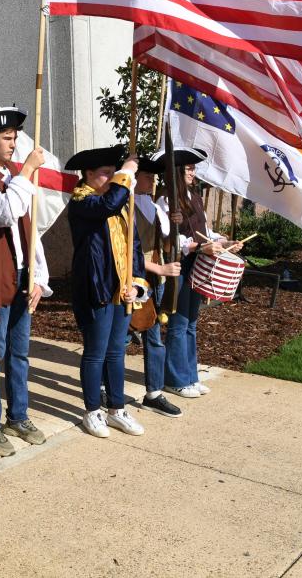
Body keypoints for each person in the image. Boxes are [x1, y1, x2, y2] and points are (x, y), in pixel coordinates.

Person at [0, 107, 52, 456]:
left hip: (22, 274)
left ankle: (17, 416)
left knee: (20, 353)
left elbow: (30, 230)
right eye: (7, 137)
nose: (13, 143)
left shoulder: (14, 177)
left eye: (15, 137)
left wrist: (40, 277)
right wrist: (29, 170)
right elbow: (4, 214)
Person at [66, 146, 148, 439]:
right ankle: (92, 411)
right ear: (88, 175)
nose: (112, 177)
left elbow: (134, 243)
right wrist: (127, 173)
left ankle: (117, 408)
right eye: (106, 173)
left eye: (114, 172)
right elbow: (107, 206)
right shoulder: (82, 202)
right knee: (96, 353)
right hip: (96, 287)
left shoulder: (119, 201)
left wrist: (137, 283)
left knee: (116, 352)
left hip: (121, 290)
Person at [160, 161, 244, 398]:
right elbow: (169, 238)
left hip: (198, 264)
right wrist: (198, 246)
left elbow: (206, 232)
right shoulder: (166, 199)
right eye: (187, 168)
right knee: (178, 323)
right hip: (181, 266)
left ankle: (189, 377)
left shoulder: (194, 196)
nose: (192, 172)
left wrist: (224, 242)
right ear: (175, 171)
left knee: (191, 322)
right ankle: (174, 379)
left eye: (193, 168)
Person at [129, 156, 185, 418]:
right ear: (136, 177)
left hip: (154, 282)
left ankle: (153, 393)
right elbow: (127, 253)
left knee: (154, 338)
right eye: (148, 177)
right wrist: (160, 269)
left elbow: (165, 244)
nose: (152, 182)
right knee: (119, 339)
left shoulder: (153, 206)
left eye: (154, 178)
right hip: (133, 281)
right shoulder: (126, 205)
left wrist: (173, 224)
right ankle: (106, 389)